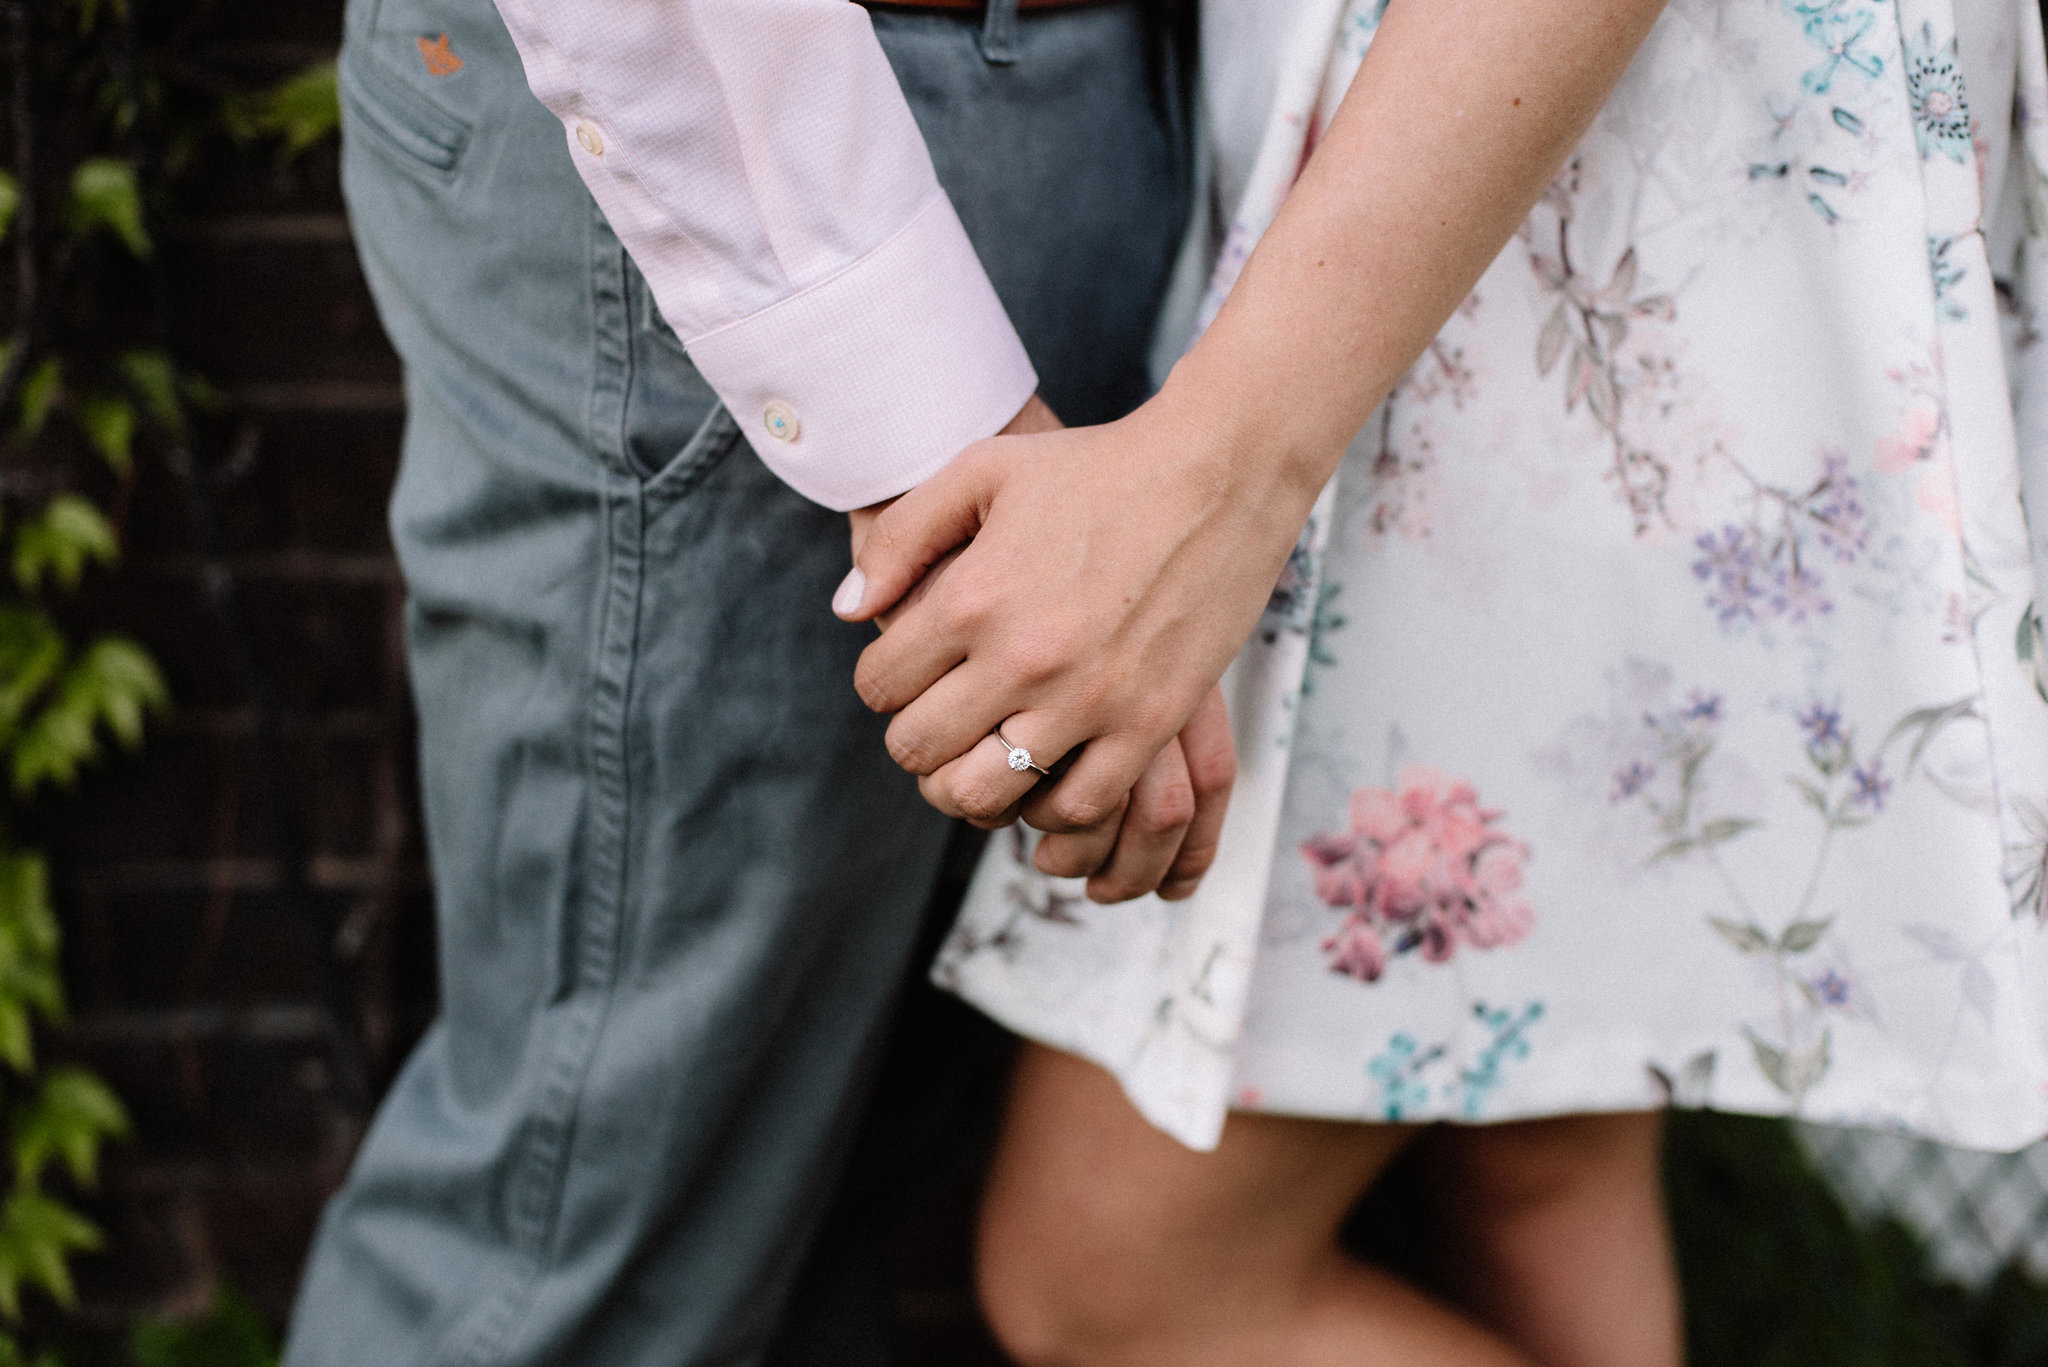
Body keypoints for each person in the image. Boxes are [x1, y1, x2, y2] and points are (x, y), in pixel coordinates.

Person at [839, 0, 2048, 1359]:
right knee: (1535, 1139)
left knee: (1111, 1279)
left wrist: (1227, 466)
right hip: (1586, 155)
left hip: (1520, 164)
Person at [282, 1, 1234, 1363]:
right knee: (586, 1241)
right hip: (748, 136)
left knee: (798, 1187)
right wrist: (911, 397)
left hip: (1083, 94)